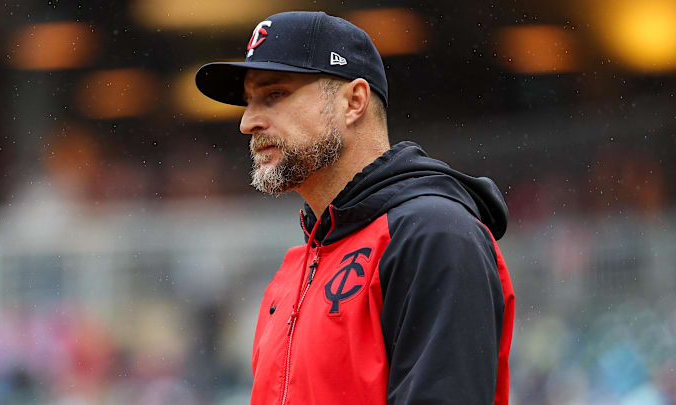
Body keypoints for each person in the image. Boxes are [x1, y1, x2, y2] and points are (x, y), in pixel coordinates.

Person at [195, 11, 515, 405]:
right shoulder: (295, 268)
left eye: (274, 94)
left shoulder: (434, 233)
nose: (248, 122)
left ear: (353, 102)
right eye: (249, 102)